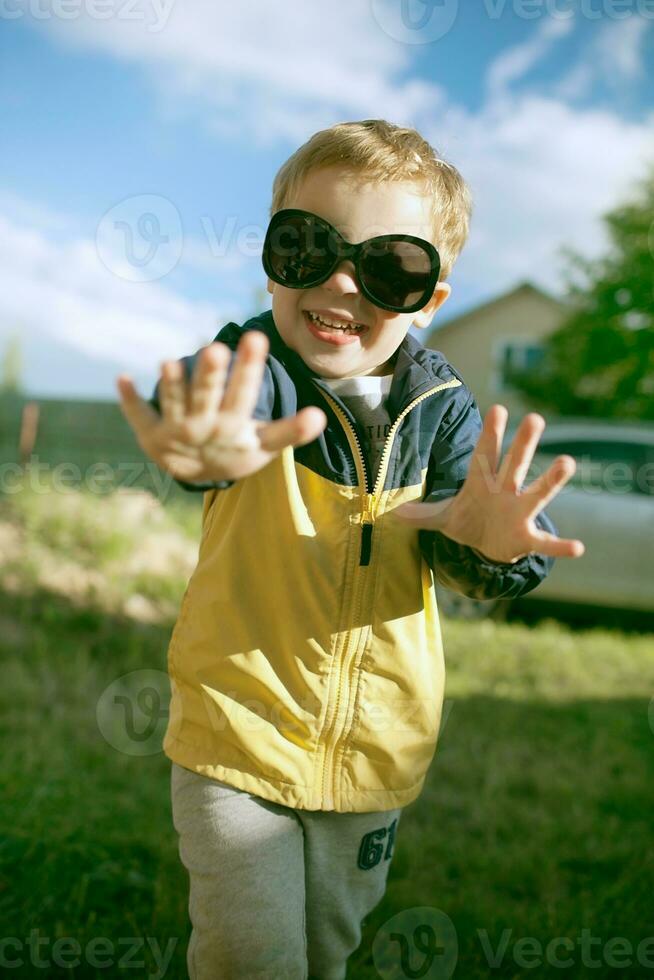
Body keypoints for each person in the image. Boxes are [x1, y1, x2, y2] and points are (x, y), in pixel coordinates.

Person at [116, 119, 585, 980]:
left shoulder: (441, 410)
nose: (339, 281)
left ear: (431, 297)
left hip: (377, 756)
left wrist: (489, 545)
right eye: (307, 246)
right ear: (270, 258)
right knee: (253, 959)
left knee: (325, 953)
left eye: (388, 266)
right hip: (237, 740)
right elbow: (224, 398)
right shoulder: (253, 368)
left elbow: (475, 552)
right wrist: (202, 435)